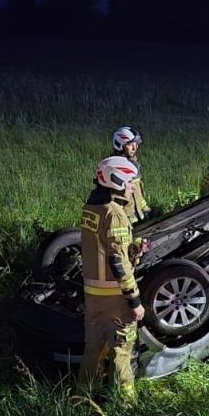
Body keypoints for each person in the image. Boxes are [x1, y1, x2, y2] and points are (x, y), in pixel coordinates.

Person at [77, 155, 146, 401]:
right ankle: (126, 405)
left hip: (93, 294)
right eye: (128, 183)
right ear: (116, 181)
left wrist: (133, 248)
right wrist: (135, 300)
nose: (131, 188)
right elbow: (117, 261)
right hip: (115, 296)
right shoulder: (114, 213)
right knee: (121, 350)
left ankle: (83, 399)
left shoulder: (90, 208)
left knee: (93, 348)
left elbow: (103, 248)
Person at [112, 126, 152, 223]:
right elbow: (116, 197)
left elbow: (138, 188)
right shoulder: (115, 168)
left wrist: (143, 205)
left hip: (138, 214)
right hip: (126, 218)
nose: (135, 147)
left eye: (136, 144)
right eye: (130, 144)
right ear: (120, 145)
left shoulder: (133, 163)